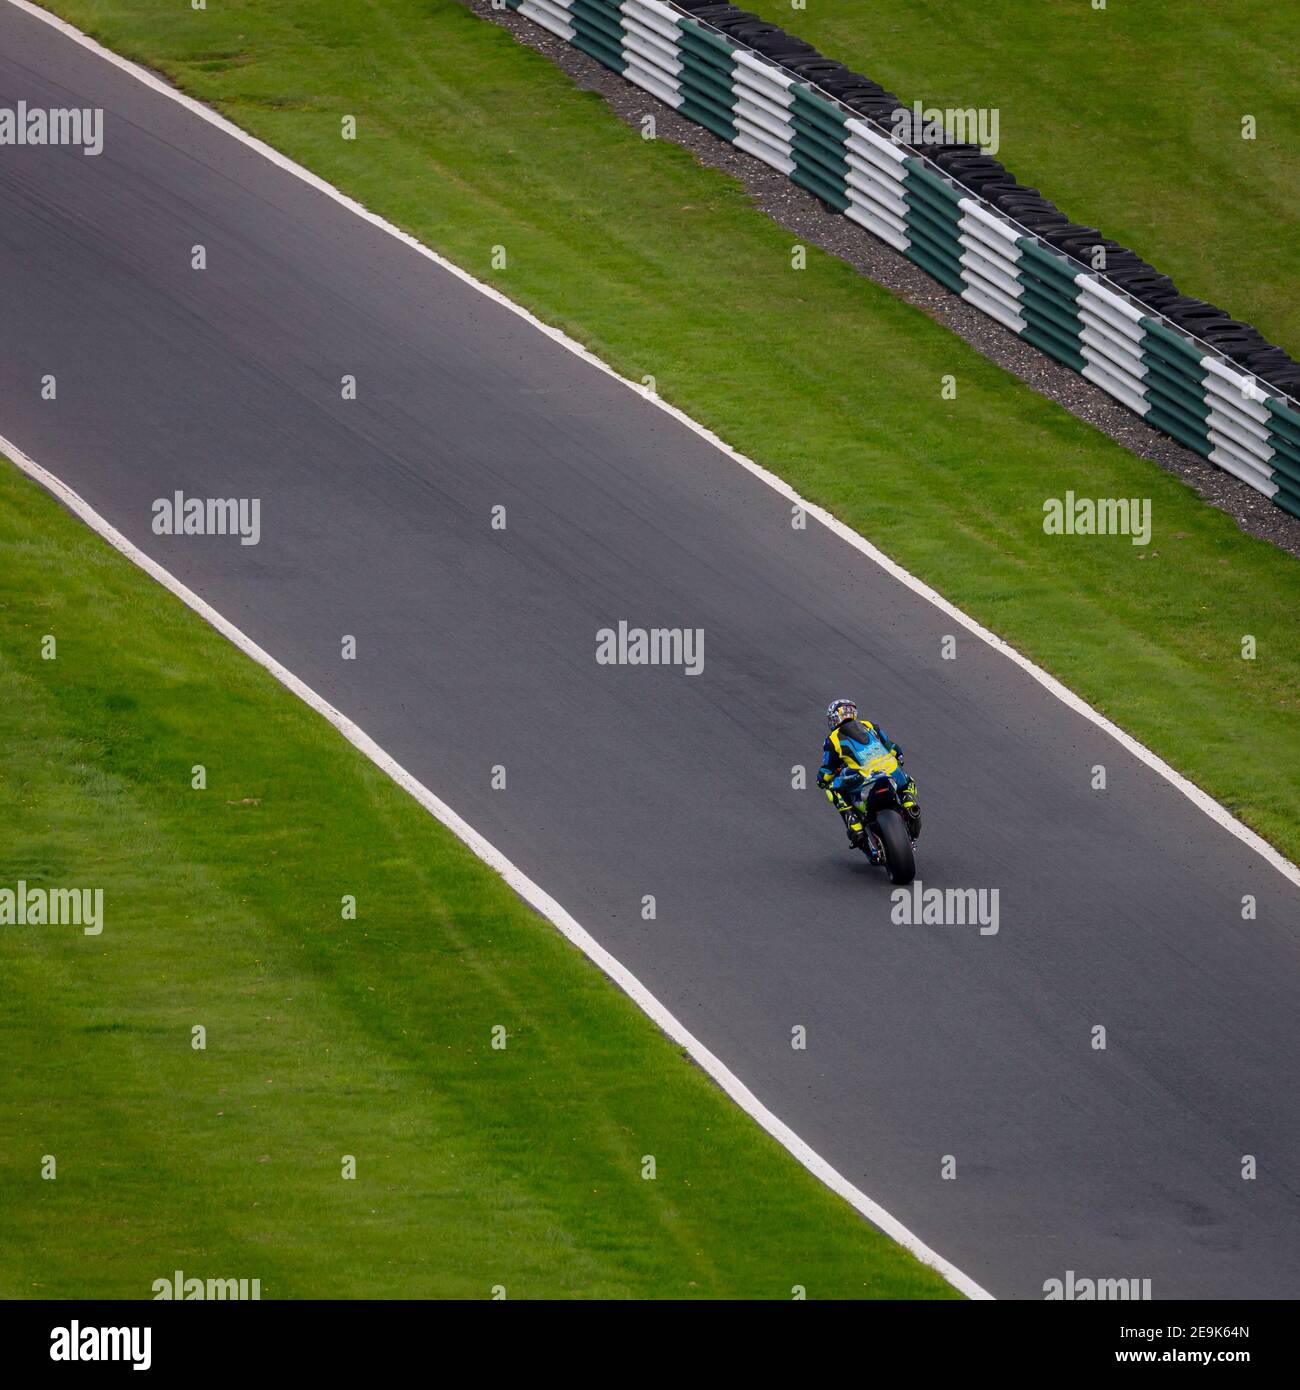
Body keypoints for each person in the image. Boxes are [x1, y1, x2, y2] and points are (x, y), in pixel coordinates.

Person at [818, 697, 921, 850]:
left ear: (834, 718)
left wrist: (821, 779)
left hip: (864, 777)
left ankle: (854, 822)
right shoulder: (870, 726)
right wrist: (898, 758)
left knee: (832, 788)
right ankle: (909, 802)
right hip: (891, 770)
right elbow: (893, 748)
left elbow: (827, 769)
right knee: (908, 781)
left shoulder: (832, 739)